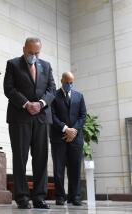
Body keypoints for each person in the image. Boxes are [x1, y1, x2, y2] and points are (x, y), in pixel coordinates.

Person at [3, 37, 56, 209]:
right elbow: (9, 88)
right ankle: (22, 197)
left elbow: (52, 90)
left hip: (41, 117)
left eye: (37, 53)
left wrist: (40, 104)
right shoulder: (13, 64)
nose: (33, 55)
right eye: (30, 52)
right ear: (24, 48)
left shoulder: (46, 66)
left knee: (40, 158)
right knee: (20, 158)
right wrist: (26, 104)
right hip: (20, 117)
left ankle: (39, 197)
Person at [50, 71, 87, 206]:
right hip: (58, 137)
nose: (69, 85)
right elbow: (52, 116)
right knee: (59, 169)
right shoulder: (54, 96)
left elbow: (83, 116)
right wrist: (66, 129)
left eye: (71, 83)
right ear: (61, 81)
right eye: (67, 83)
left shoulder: (79, 96)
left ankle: (75, 196)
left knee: (75, 168)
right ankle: (60, 196)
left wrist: (74, 131)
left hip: (76, 139)